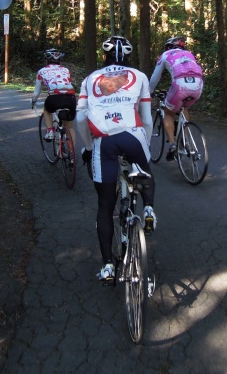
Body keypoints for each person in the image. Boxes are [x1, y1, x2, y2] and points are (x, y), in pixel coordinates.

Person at [77, 36, 156, 284]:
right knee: (145, 170)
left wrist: (89, 148)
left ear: (104, 57)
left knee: (105, 205)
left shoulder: (90, 80)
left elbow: (80, 119)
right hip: (134, 136)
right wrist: (147, 147)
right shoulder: (139, 76)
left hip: (104, 142)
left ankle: (108, 266)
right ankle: (150, 209)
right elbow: (147, 118)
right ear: (129, 58)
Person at [149, 36, 204, 161]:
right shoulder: (190, 54)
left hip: (180, 86)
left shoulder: (165, 55)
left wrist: (149, 92)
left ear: (168, 47)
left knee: (169, 113)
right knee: (184, 107)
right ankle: (186, 140)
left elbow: (154, 79)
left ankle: (173, 144)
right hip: (198, 86)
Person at [31, 48, 77, 146]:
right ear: (60, 60)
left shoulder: (41, 71)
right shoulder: (66, 70)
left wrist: (33, 101)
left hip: (54, 98)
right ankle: (72, 155)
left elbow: (36, 93)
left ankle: (49, 131)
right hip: (71, 98)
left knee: (47, 110)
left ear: (47, 60)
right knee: (70, 127)